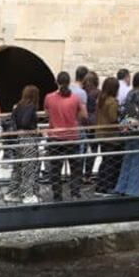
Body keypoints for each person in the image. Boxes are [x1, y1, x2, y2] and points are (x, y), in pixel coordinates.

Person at [44, 71, 87, 201]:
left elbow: (47, 113)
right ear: (69, 82)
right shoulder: (75, 98)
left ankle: (57, 195)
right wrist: (73, 117)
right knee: (75, 167)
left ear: (56, 82)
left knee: (55, 169)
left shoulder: (49, 97)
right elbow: (84, 115)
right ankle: (75, 193)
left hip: (54, 137)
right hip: (71, 137)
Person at [114, 71, 139, 197]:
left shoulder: (129, 93)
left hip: (128, 129)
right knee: (138, 161)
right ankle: (133, 189)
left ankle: (122, 186)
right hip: (138, 131)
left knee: (128, 159)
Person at [6, 86, 41, 203]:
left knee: (18, 168)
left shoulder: (18, 106)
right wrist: (34, 129)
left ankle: (11, 193)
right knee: (29, 167)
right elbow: (26, 122)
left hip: (19, 140)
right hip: (28, 140)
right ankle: (28, 195)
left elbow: (13, 120)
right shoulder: (30, 107)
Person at [94, 77, 122, 195]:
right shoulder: (112, 102)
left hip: (100, 134)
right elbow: (113, 119)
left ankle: (100, 186)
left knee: (105, 161)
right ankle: (107, 187)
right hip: (111, 135)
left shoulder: (100, 99)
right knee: (111, 162)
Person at [80, 71, 100, 183]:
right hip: (94, 123)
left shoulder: (82, 93)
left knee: (82, 150)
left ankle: (79, 174)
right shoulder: (98, 93)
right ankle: (88, 174)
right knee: (93, 150)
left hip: (83, 122)